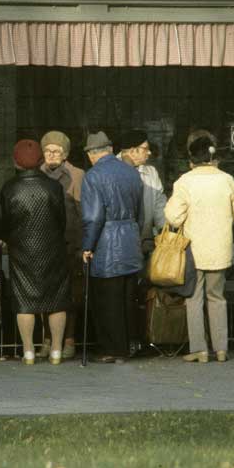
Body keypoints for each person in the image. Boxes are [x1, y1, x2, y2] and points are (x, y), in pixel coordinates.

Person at [164, 133, 234, 363]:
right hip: (220, 250)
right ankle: (221, 349)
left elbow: (173, 217)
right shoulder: (226, 179)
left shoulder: (185, 182)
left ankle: (199, 349)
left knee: (194, 298)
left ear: (191, 159)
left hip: (194, 251)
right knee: (217, 297)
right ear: (212, 157)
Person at [0, 139, 70, 365]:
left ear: (16, 161)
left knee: (24, 301)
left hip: (21, 251)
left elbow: (5, 223)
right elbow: (62, 221)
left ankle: (28, 351)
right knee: (57, 300)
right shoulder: (54, 187)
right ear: (40, 159)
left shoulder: (9, 188)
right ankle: (57, 351)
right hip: (53, 249)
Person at [81, 131, 143, 363]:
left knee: (107, 300)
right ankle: (128, 346)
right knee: (127, 298)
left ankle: (112, 349)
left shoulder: (93, 176)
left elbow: (93, 217)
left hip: (106, 244)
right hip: (130, 239)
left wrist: (87, 245)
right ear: (109, 149)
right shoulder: (131, 173)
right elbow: (141, 214)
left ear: (91, 154)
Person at [117, 129, 166, 354]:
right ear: (133, 150)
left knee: (142, 293)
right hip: (120, 245)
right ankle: (125, 341)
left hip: (145, 242)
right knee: (122, 295)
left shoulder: (150, 173)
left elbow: (158, 205)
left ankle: (142, 339)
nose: (148, 153)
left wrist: (164, 233)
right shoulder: (114, 169)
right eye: (145, 149)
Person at [39, 130, 85, 360]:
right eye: (47, 150)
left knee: (70, 295)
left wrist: (81, 245)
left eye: (56, 151)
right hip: (45, 246)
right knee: (46, 293)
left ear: (65, 154)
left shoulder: (77, 175)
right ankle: (47, 339)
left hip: (70, 244)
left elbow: (81, 212)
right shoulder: (37, 174)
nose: (51, 155)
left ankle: (69, 339)